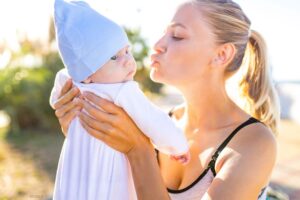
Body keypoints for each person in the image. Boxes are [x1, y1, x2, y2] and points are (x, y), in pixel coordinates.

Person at [52, 0, 280, 199]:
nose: (157, 45)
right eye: (163, 33)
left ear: (221, 55)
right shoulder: (159, 121)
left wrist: (138, 149)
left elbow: (136, 150)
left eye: (177, 36)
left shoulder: (255, 143)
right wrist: (84, 126)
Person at [50, 0, 190, 199]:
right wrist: (178, 146)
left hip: (76, 174)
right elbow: (155, 122)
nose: (128, 61)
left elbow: (56, 97)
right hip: (108, 179)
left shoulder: (69, 82)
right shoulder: (123, 92)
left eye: (127, 51)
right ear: (87, 73)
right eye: (114, 58)